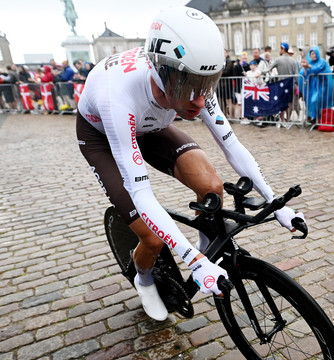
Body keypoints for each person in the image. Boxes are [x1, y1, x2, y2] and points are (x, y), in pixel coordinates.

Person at [76, 7, 304, 321]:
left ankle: (206, 243)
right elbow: (141, 193)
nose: (199, 100)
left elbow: (232, 145)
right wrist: (193, 261)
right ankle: (143, 280)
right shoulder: (119, 95)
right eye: (189, 86)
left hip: (151, 124)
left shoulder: (191, 83)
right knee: (152, 237)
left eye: (207, 83)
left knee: (211, 187)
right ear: (160, 71)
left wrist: (276, 204)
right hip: (104, 135)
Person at [262, 43, 299, 122]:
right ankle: (288, 120)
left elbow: (267, 69)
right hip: (291, 84)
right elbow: (296, 74)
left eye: (280, 48)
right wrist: (297, 84)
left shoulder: (278, 59)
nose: (279, 50)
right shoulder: (293, 60)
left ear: (282, 49)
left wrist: (260, 72)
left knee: (282, 103)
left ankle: (282, 121)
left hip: (282, 84)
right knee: (290, 103)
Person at [299, 46, 334, 123]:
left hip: (324, 86)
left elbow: (317, 69)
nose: (314, 55)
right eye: (312, 54)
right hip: (315, 87)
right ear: (310, 55)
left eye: (315, 53)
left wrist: (308, 66)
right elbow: (305, 74)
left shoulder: (322, 62)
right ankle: (315, 118)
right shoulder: (310, 62)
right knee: (313, 101)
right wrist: (305, 68)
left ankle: (319, 118)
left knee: (316, 100)